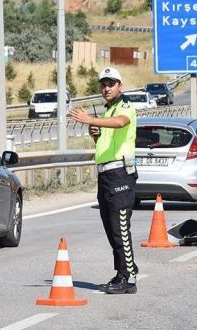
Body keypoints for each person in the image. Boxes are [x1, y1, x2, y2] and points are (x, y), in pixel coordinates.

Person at [69, 67, 139, 295]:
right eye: (103, 84)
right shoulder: (107, 111)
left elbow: (121, 123)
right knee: (111, 229)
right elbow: (107, 137)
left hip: (120, 174)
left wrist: (90, 119)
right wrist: (95, 132)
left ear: (120, 86)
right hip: (106, 175)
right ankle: (121, 273)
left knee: (120, 228)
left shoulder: (125, 106)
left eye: (111, 84)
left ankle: (129, 278)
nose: (106, 88)